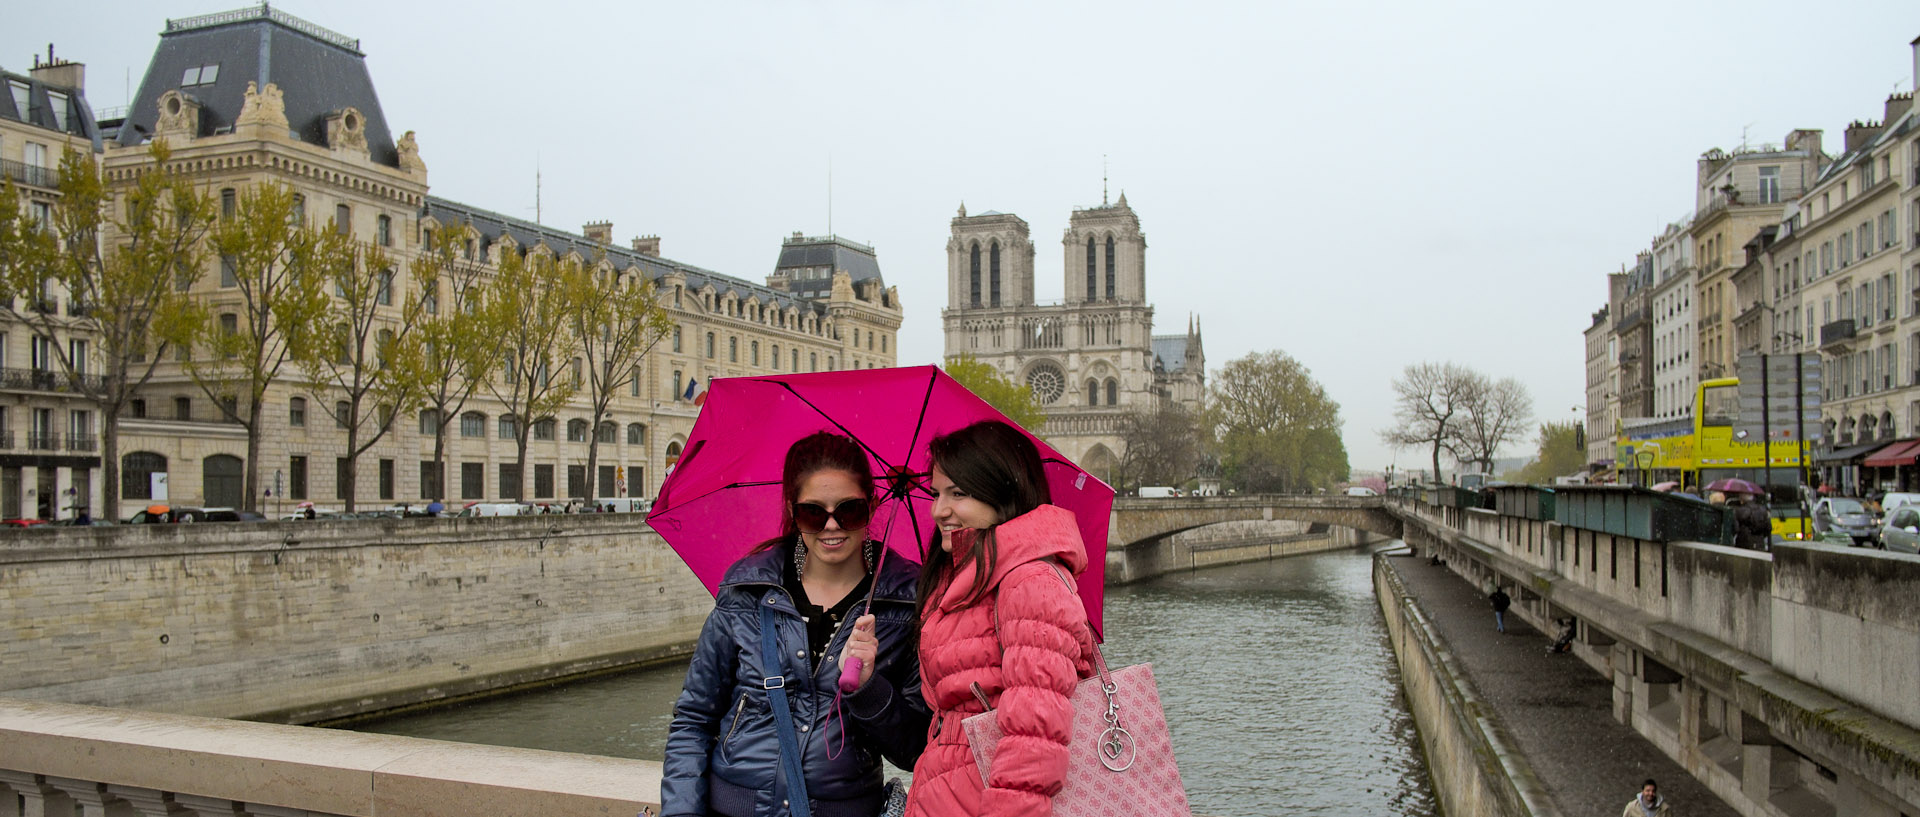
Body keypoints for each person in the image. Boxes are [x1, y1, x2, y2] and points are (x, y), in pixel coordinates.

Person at [662, 431, 928, 817]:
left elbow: (915, 750)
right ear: (792, 510)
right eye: (813, 513)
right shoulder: (746, 592)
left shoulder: (905, 604)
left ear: (871, 506)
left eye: (849, 511)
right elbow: (693, 720)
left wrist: (870, 690)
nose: (832, 526)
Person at [908, 420, 1098, 817]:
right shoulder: (963, 577)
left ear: (1001, 494)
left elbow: (1035, 736)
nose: (938, 510)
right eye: (936, 493)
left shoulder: (1028, 580)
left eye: (957, 494)